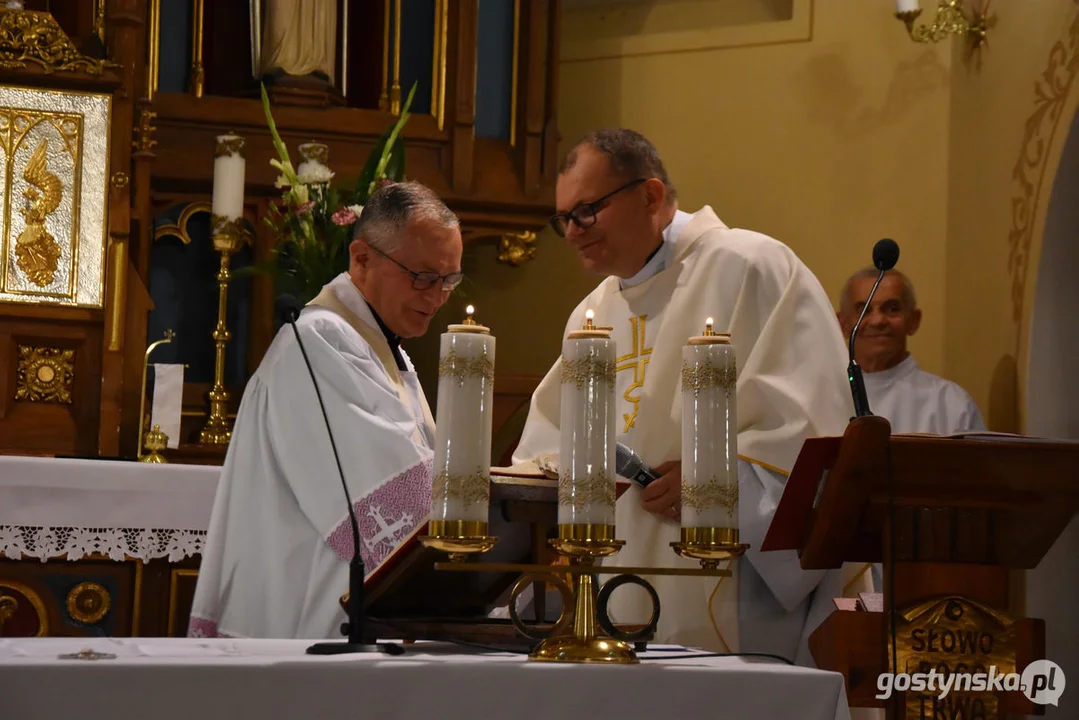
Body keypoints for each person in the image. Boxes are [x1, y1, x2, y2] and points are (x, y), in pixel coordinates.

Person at [512, 128, 871, 666]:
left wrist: (716, 485)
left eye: (585, 212)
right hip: (613, 598)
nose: (571, 232)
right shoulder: (591, 314)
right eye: (562, 218)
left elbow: (813, 431)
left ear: (650, 196)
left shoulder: (753, 267)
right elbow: (548, 446)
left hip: (735, 587)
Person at [189, 181, 463, 639]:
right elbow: (388, 494)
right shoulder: (318, 341)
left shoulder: (383, 348)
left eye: (449, 280)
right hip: (308, 620)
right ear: (362, 258)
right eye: (423, 277)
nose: (436, 296)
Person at [838, 267, 986, 435]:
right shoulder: (823, 398)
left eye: (892, 309)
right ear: (842, 324)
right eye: (864, 310)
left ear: (913, 321)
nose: (878, 320)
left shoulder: (951, 403)